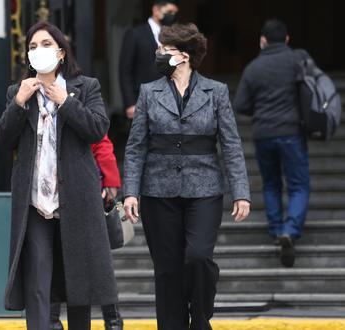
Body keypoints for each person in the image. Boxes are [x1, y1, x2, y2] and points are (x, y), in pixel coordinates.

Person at [123, 23, 251, 330]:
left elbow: (231, 144)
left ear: (183, 55)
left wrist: (241, 191)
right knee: (167, 270)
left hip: (204, 188)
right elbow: (136, 146)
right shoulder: (149, 93)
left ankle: (201, 315)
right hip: (158, 190)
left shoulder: (216, 92)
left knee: (198, 258)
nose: (158, 55)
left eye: (163, 50)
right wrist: (130, 191)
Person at [0, 21, 118, 330]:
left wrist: (66, 101)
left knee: (78, 281)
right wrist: (19, 103)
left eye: (46, 44)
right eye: (33, 46)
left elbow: (97, 129)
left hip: (76, 196)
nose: (39, 50)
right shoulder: (18, 91)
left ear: (61, 52)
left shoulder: (85, 87)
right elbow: (2, 141)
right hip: (35, 201)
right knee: (38, 279)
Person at [233, 19, 308, 268]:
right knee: (298, 184)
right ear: (287, 39)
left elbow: (241, 105)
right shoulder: (297, 61)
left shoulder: (254, 67)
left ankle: (277, 230)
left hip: (264, 133)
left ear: (263, 41)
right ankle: (290, 229)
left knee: (271, 184)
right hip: (292, 131)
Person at [50, 134, 123, 330]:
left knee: (99, 261)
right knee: (52, 258)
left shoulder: (81, 104)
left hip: (87, 193)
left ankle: (113, 321)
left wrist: (110, 183)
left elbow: (101, 142)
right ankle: (52, 322)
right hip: (50, 194)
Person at [119, 0, 179, 119]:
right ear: (156, 10)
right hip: (142, 101)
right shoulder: (135, 34)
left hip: (171, 102)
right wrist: (130, 103)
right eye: (169, 12)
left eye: (174, 13)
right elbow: (125, 71)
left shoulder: (174, 35)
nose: (172, 16)